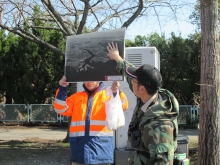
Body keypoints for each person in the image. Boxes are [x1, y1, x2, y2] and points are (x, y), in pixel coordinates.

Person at [106, 42, 179, 165]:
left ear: (142, 89)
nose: (131, 82)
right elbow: (128, 72)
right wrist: (117, 57)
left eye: (134, 81)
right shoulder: (148, 94)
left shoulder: (160, 127)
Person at [53, 76, 128, 165]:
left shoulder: (108, 95)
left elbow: (124, 106)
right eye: (86, 77)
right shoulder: (76, 97)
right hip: (79, 152)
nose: (89, 81)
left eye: (93, 77)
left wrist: (116, 93)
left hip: (101, 152)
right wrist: (62, 88)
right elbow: (59, 108)